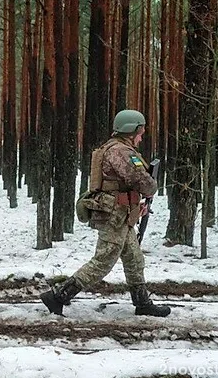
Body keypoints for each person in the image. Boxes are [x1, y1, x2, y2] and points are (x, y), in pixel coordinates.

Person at [40, 109, 171, 317]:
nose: (141, 136)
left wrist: (136, 205)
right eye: (140, 131)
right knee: (102, 262)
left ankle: (142, 302)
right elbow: (142, 182)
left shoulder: (119, 149)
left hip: (121, 214)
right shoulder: (121, 152)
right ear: (131, 130)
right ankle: (58, 296)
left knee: (135, 259)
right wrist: (151, 188)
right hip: (114, 216)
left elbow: (127, 186)